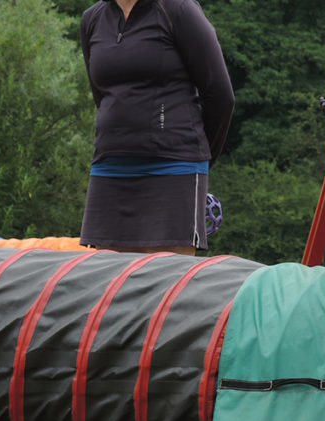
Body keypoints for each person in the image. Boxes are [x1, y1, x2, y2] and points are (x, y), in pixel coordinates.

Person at [78, 0, 234, 255]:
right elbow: (102, 96)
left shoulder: (179, 10)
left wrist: (199, 160)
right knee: (108, 284)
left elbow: (221, 96)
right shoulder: (92, 19)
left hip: (174, 168)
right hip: (110, 169)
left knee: (169, 284)